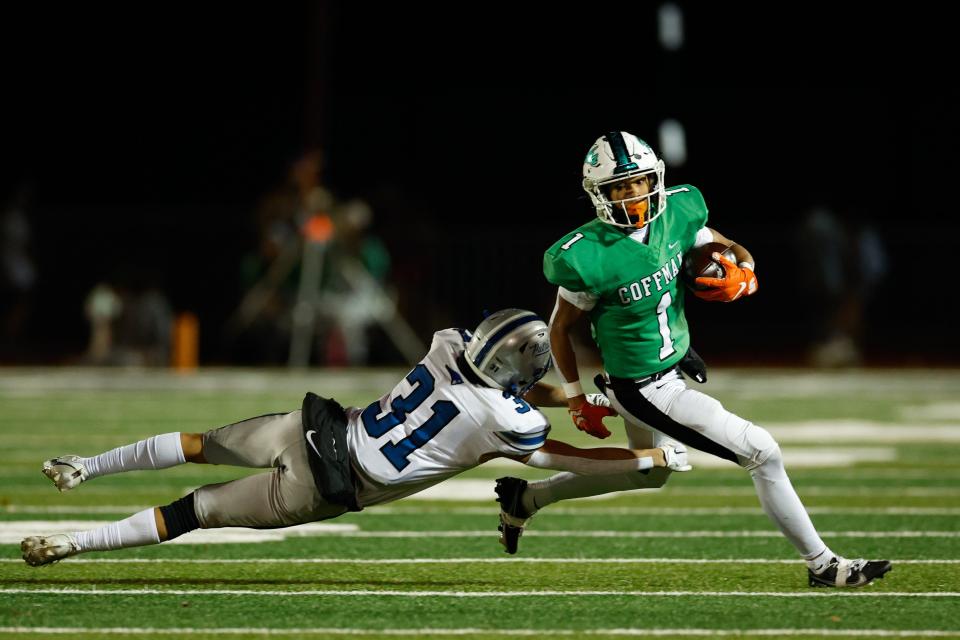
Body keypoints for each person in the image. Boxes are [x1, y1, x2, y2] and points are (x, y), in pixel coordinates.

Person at [493, 132, 891, 588]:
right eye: (619, 187)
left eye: (639, 182)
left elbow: (730, 248)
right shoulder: (586, 255)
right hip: (642, 387)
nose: (633, 194)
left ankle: (526, 499)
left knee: (651, 473)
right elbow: (561, 327)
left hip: (669, 366)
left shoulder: (679, 213)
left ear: (655, 179)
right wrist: (577, 398)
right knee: (762, 452)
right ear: (599, 195)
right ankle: (824, 566)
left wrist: (745, 273)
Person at [21, 308, 691, 566]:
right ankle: (73, 544)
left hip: (312, 431)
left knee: (196, 443)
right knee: (193, 510)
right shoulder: (506, 422)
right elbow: (566, 453)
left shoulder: (447, 343)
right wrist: (643, 455)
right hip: (333, 486)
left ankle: (86, 466)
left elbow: (501, 384)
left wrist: (579, 394)